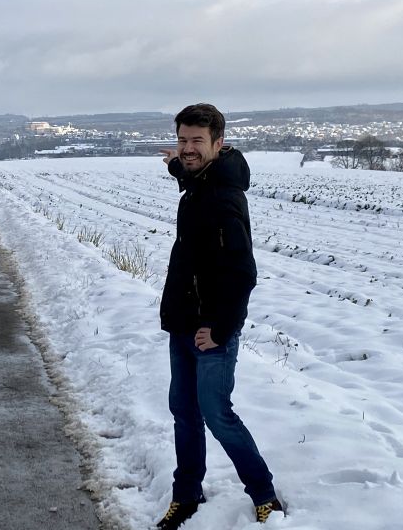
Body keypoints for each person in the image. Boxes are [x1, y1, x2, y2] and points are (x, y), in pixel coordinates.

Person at [156, 104, 282, 528]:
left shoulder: (224, 198)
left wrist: (221, 329)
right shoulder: (201, 180)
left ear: (219, 144)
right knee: (184, 412)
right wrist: (176, 167)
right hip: (183, 322)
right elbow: (193, 174)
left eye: (197, 142)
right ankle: (187, 493)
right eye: (182, 140)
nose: (187, 149)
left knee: (216, 413)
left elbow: (243, 273)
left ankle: (264, 494)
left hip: (211, 329)